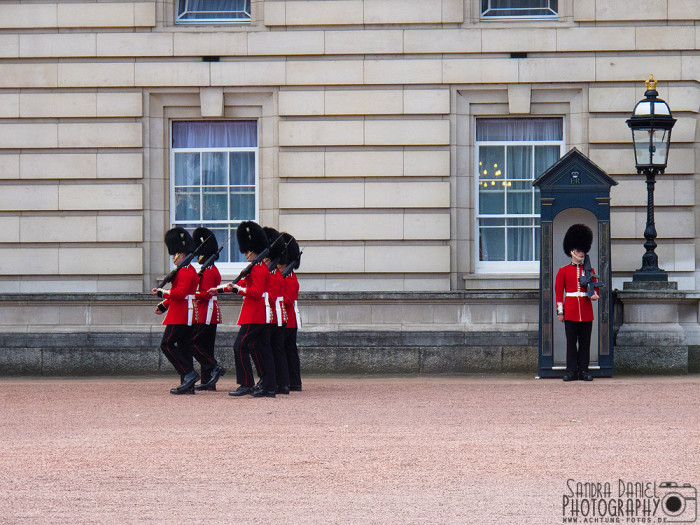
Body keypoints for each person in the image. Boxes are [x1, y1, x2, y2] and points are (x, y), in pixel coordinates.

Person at [211, 221, 277, 398]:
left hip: (255, 314)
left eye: (248, 251)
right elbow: (239, 284)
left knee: (239, 347)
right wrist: (218, 289)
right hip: (258, 314)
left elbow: (254, 292)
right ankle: (268, 385)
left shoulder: (257, 269)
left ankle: (246, 383)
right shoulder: (257, 267)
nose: (246, 254)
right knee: (262, 349)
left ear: (253, 250)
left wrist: (236, 290)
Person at [152, 227, 200, 395]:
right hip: (183, 312)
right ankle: (188, 385)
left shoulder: (186, 272)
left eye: (175, 254)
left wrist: (161, 293)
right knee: (185, 347)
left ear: (182, 254)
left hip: (181, 314)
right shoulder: (185, 270)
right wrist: (164, 305)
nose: (173, 257)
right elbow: (179, 293)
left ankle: (189, 374)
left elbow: (180, 294)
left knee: (166, 344)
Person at [555, 224, 599, 382]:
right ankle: (571, 370)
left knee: (585, 343)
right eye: (578, 250)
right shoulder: (563, 270)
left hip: (586, 312)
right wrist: (561, 312)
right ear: (571, 251)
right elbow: (559, 293)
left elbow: (595, 288)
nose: (581, 253)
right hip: (571, 312)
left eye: (582, 250)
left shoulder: (589, 270)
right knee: (571, 343)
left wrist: (594, 295)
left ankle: (584, 370)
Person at [190, 227, 226, 392]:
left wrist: (193, 295)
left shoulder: (209, 272)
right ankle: (208, 381)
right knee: (205, 347)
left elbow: (205, 294)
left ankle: (213, 367)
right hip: (208, 311)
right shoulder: (208, 270)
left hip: (206, 312)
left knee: (194, 343)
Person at [263, 227, 290, 395]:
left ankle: (275, 382)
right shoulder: (276, 273)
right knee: (277, 350)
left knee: (273, 350)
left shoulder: (273, 274)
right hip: (279, 315)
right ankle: (282, 383)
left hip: (273, 315)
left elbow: (271, 298)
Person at [279, 232, 302, 392]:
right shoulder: (285, 276)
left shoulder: (290, 279)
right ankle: (291, 381)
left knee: (286, 350)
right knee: (287, 350)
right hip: (286, 319)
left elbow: (287, 300)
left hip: (288, 319)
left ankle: (291, 381)